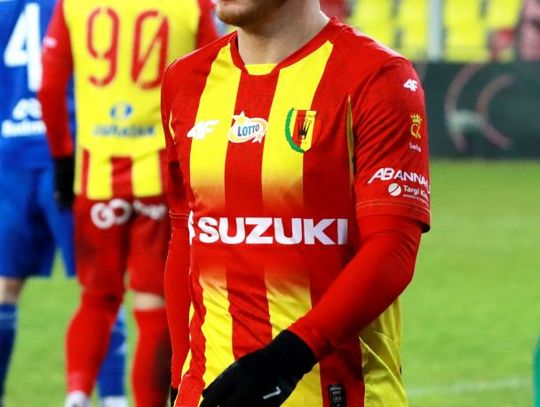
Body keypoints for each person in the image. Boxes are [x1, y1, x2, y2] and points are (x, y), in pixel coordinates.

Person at [161, 0, 430, 406]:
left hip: (339, 392)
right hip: (210, 393)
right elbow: (186, 233)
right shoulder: (185, 80)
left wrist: (286, 358)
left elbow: (393, 248)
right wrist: (180, 379)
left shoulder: (377, 77)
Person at [38, 1, 218, 406]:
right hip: (161, 177)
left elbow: (49, 88)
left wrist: (62, 161)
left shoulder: (74, 5)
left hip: (96, 176)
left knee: (96, 298)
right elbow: (216, 76)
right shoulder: (192, 5)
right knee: (155, 304)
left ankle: (77, 393)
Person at [0, 1, 128, 406]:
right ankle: (112, 398)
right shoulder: (82, 7)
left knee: (5, 288)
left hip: (12, 156)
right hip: (72, 156)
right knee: (99, 286)